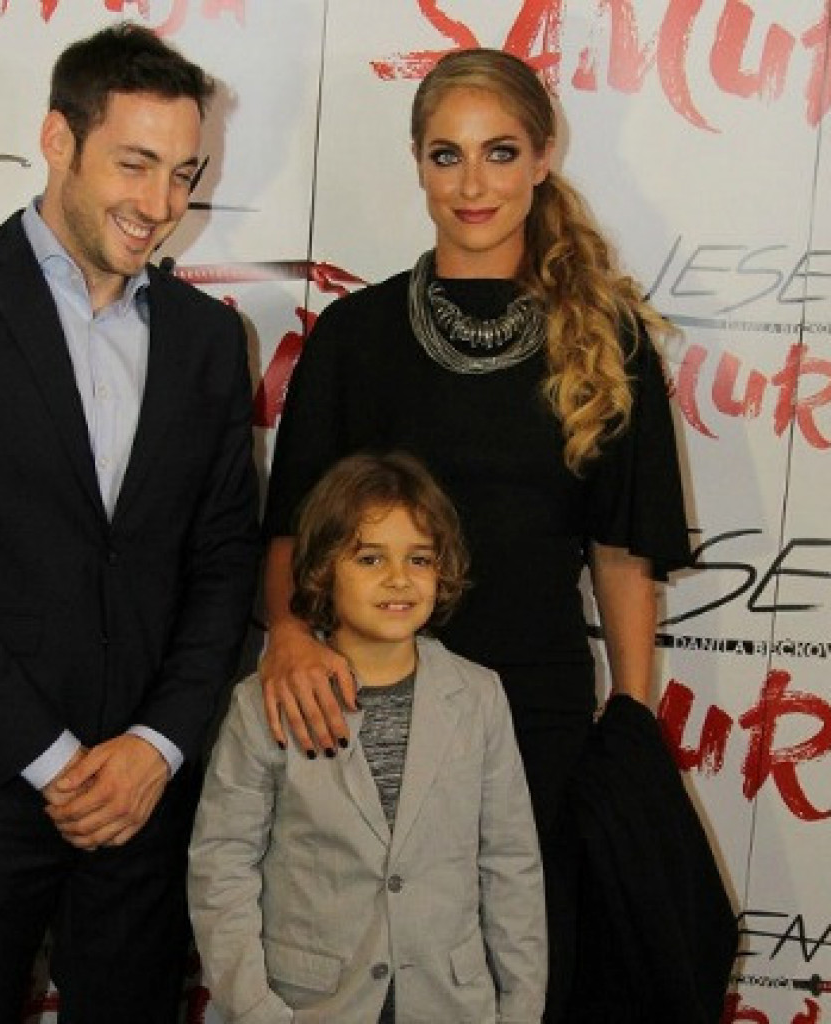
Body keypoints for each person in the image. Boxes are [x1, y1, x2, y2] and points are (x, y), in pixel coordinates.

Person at [260, 49, 692, 1021]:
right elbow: (290, 528)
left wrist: (629, 717)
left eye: (499, 152)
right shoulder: (354, 337)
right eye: (445, 155)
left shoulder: (607, 339)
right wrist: (286, 633)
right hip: (365, 708)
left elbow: (622, 552)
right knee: (367, 975)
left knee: (519, 976)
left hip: (536, 717)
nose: (472, 184)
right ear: (416, 162)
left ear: (541, 157)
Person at [0, 23, 258, 1024]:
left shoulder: (209, 340)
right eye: (135, 163)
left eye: (184, 173)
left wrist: (156, 745)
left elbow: (222, 562)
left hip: (144, 796)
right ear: (57, 140)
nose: (161, 204)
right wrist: (53, 760)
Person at [189, 451, 546, 1024]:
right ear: (321, 570)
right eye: (370, 557)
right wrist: (255, 1009)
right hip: (309, 1007)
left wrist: (521, 1009)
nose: (398, 578)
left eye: (419, 559)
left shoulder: (479, 696)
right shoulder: (262, 704)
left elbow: (510, 864)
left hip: (450, 1004)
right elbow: (222, 866)